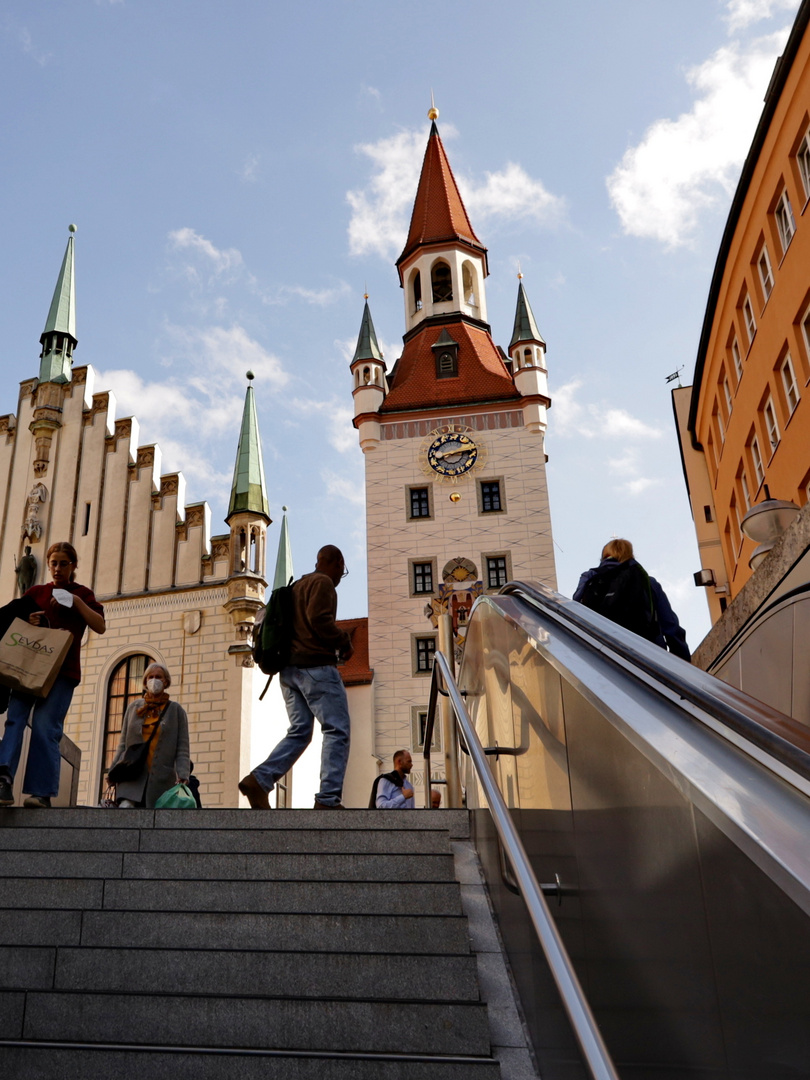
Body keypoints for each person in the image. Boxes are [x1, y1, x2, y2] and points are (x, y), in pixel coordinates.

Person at [239, 545, 353, 810]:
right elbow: (319, 620)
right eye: (342, 570)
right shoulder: (323, 583)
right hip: (316, 667)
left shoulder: (297, 586)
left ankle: (259, 779)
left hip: (288, 672)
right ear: (336, 562)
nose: (340, 576)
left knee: (300, 731)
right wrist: (344, 641)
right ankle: (328, 799)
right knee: (337, 730)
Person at [0, 541, 106, 808]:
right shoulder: (37, 592)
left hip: (63, 672)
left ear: (73, 566)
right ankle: (3, 778)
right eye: (54, 563)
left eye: (63, 563)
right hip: (30, 666)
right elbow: (14, 621)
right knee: (15, 719)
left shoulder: (83, 592)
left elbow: (100, 625)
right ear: (48, 565)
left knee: (47, 728)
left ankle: (41, 793)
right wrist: (31, 620)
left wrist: (78, 603)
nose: (57, 568)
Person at [574, 539, 690, 661]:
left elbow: (575, 607)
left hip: (601, 655)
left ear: (604, 557)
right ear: (630, 555)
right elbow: (670, 625)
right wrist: (682, 660)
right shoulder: (647, 582)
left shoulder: (590, 578)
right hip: (647, 654)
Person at [109, 662, 190, 808]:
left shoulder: (176, 711)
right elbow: (122, 744)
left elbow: (182, 748)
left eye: (158, 677)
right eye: (150, 677)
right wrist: (113, 770)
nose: (154, 680)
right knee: (126, 810)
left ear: (166, 681)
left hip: (161, 780)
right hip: (131, 776)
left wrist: (183, 774)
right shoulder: (134, 708)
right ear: (145, 682)